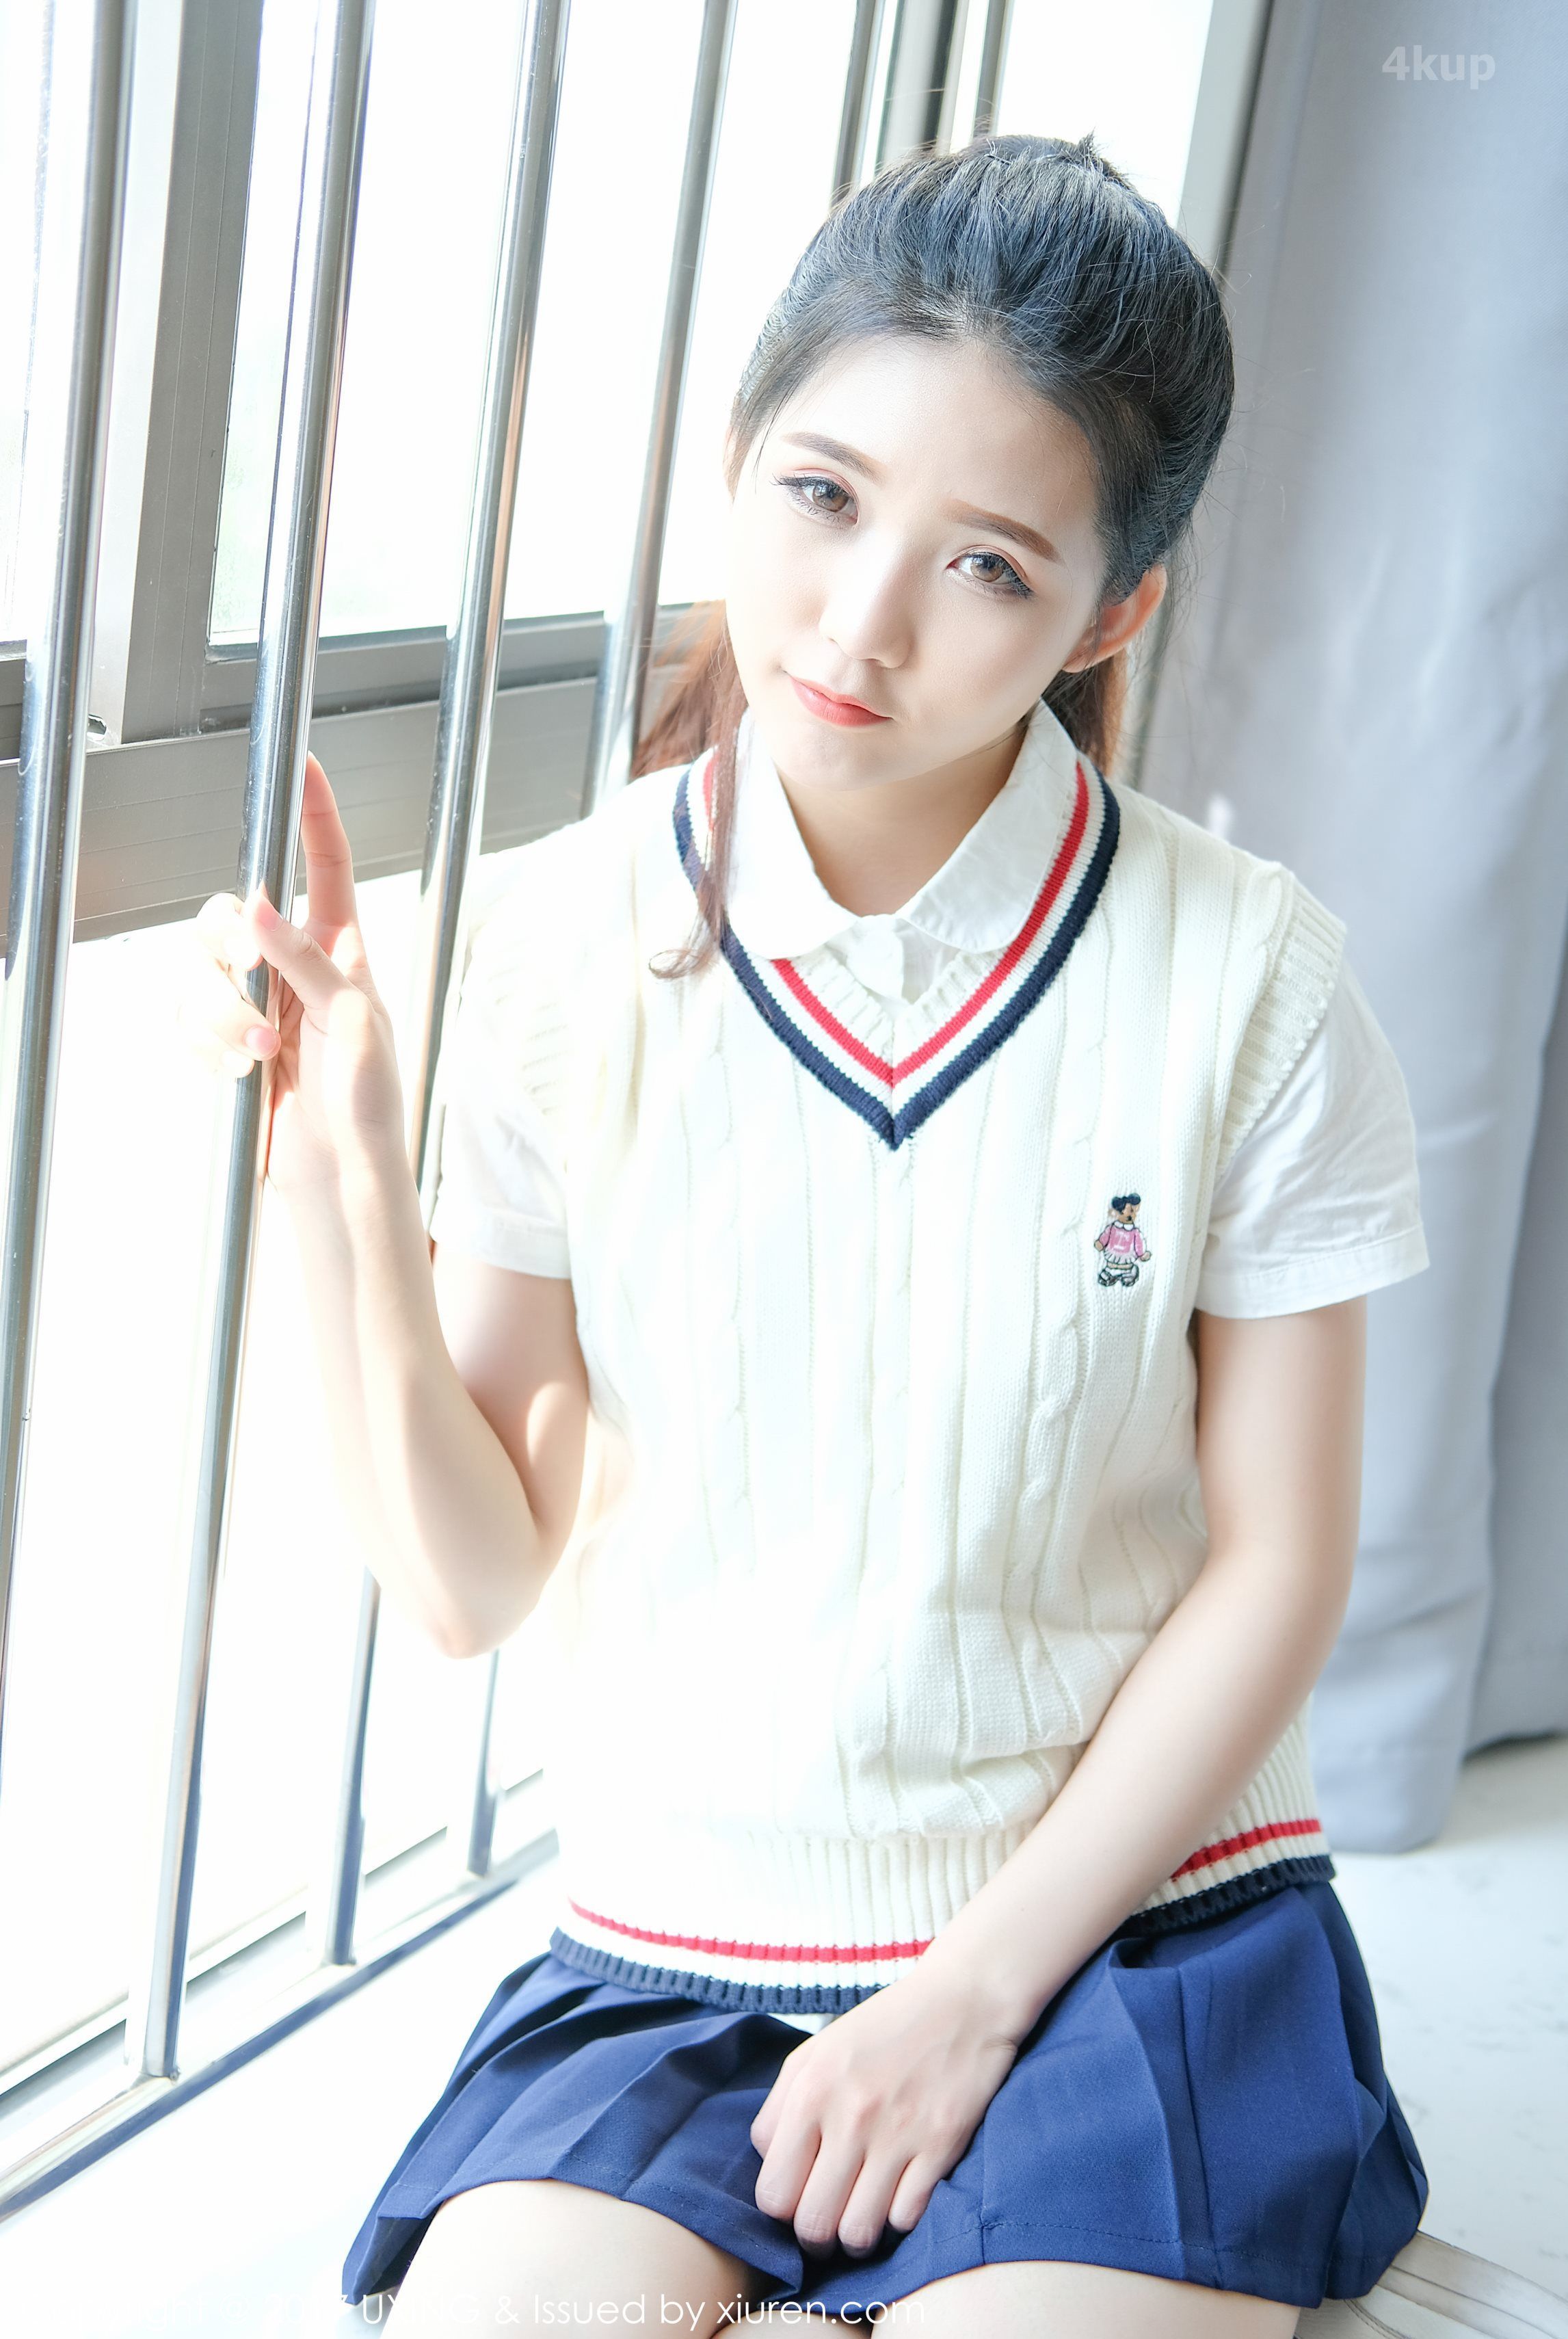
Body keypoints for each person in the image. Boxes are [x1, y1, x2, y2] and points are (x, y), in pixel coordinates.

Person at [180, 135, 1431, 2336]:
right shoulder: (564, 944)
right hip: (685, 1938)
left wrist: (970, 1993)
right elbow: (472, 1579)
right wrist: (342, 1166)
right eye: (824, 497)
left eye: (987, 564)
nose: (860, 622)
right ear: (737, 459)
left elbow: (1278, 1565)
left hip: (1127, 1929)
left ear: (1108, 616)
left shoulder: (1250, 980)